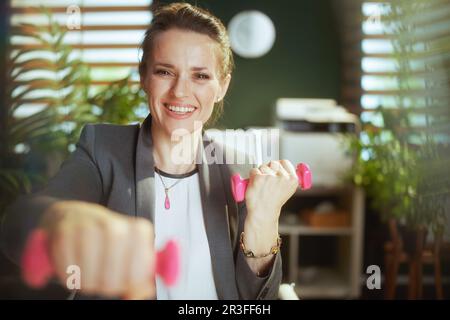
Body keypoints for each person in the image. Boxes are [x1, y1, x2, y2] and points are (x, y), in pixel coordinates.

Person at [1, 2, 298, 300]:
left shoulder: (238, 166)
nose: (180, 92)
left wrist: (264, 219)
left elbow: (260, 300)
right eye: (165, 71)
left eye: (201, 76)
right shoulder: (102, 149)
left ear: (222, 85)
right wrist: (58, 220)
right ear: (144, 77)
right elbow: (19, 226)